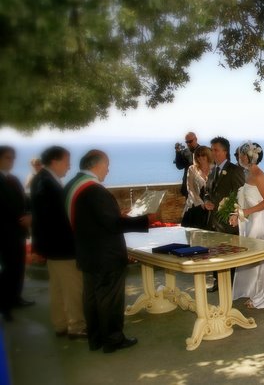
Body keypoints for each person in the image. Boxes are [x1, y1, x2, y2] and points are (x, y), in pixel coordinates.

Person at [64, 150, 151, 353]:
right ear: (97, 165)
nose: (109, 169)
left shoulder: (73, 186)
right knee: (109, 299)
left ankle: (95, 339)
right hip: (106, 255)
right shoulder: (94, 190)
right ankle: (113, 339)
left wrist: (116, 215)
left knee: (92, 297)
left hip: (87, 252)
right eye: (107, 165)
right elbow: (112, 224)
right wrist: (144, 219)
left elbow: (92, 219)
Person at [30, 146, 86, 339]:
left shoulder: (42, 180)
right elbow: (54, 218)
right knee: (73, 287)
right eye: (66, 161)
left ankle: (60, 324)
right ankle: (77, 326)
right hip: (62, 246)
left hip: (52, 246)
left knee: (58, 287)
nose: (69, 166)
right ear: (55, 161)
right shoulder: (47, 183)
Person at [231, 142, 264, 309]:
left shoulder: (259, 175)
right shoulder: (248, 173)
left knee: (262, 260)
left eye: (241, 154)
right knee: (253, 260)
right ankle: (254, 291)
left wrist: (246, 212)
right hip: (252, 220)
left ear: (249, 157)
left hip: (260, 221)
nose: (239, 157)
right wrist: (239, 212)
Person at [203, 137, 245, 292]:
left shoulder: (235, 170)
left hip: (228, 221)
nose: (212, 152)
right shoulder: (213, 169)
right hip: (212, 220)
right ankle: (217, 281)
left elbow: (241, 194)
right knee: (214, 251)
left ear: (225, 151)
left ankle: (232, 284)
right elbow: (207, 191)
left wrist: (228, 210)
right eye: (212, 149)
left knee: (229, 253)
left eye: (216, 150)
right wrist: (206, 200)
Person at [0, 146, 34, 322]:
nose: (11, 161)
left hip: (18, 231)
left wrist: (28, 214)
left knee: (19, 266)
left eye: (12, 158)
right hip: (5, 232)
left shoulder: (12, 179)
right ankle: (5, 306)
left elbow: (24, 199)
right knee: (9, 269)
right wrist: (19, 218)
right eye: (7, 158)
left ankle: (16, 297)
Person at [181, 145, 212, 229]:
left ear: (208, 155)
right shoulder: (192, 169)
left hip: (210, 206)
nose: (200, 157)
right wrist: (200, 203)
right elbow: (190, 188)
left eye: (203, 155)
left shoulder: (214, 169)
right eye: (198, 155)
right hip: (195, 206)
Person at [174, 131, 200, 198]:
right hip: (188, 186)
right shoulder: (185, 152)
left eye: (190, 141)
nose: (188, 144)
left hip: (200, 186)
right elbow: (179, 166)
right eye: (186, 142)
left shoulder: (204, 151)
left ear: (196, 139)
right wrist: (177, 152)